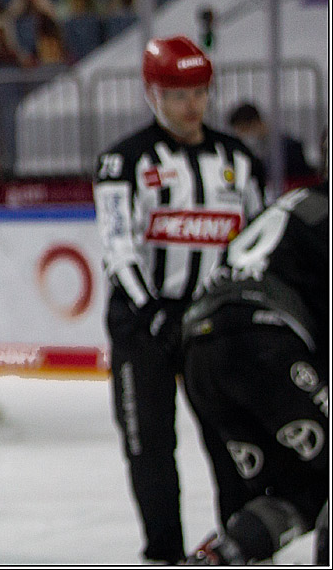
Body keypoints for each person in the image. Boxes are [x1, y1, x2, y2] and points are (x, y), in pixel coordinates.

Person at [92, 35, 267, 563]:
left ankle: (242, 547)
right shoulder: (123, 162)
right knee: (149, 447)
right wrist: (152, 312)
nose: (191, 106)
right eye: (177, 95)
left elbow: (256, 240)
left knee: (232, 440)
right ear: (153, 95)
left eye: (199, 93)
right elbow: (117, 245)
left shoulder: (236, 158)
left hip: (214, 327)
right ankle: (163, 554)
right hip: (143, 326)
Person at [182, 180, 328, 565]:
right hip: (263, 346)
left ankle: (222, 555)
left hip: (201, 353)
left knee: (299, 494)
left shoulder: (293, 204)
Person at [227, 102, 315, 181]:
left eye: (243, 130)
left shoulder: (288, 146)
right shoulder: (257, 147)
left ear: (254, 123)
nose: (243, 136)